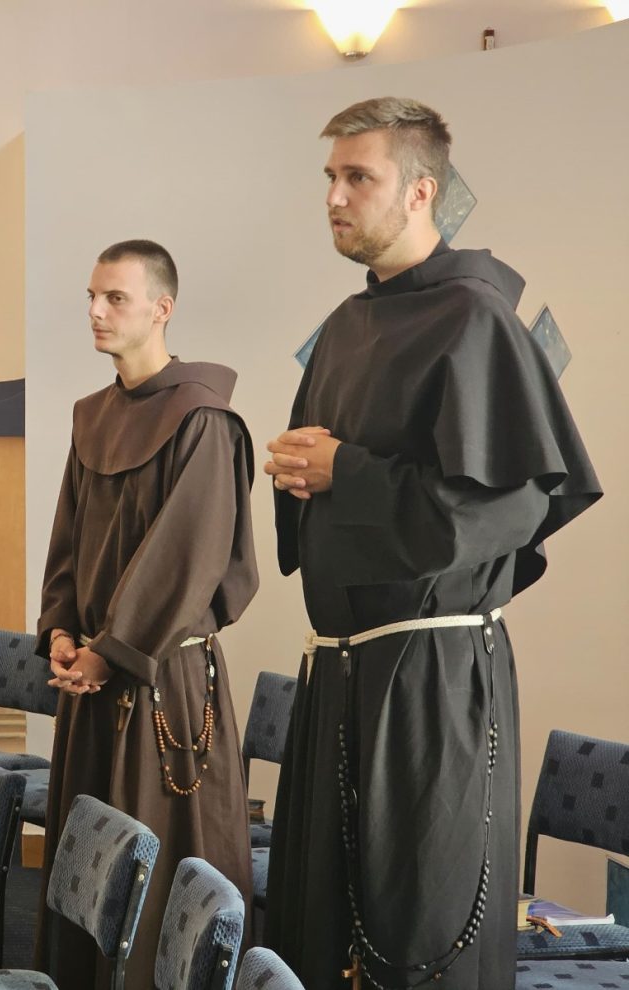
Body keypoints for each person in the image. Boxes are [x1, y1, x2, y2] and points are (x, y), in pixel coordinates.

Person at [262, 97, 602, 990]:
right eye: (330, 178)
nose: (334, 197)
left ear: (421, 191)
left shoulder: (475, 319)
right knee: (326, 928)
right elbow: (343, 478)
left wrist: (344, 472)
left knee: (419, 930)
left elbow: (504, 509)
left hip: (431, 680)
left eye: (357, 177)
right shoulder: (346, 326)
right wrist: (303, 471)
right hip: (340, 668)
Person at [35, 240, 258, 988]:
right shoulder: (92, 416)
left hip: (164, 680)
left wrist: (112, 650)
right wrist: (61, 631)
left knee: (163, 873)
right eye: (91, 297)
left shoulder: (203, 419)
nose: (96, 311)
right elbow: (69, 541)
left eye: (115, 298)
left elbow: (186, 558)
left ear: (162, 308)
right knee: (89, 866)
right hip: (95, 675)